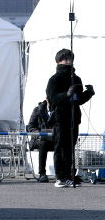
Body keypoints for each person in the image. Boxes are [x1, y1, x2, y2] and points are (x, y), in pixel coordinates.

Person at [46, 48, 95, 188]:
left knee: (69, 149)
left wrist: (89, 93)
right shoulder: (54, 79)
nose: (68, 62)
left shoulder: (76, 78)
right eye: (65, 59)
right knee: (60, 148)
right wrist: (66, 95)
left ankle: (69, 176)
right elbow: (53, 99)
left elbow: (78, 100)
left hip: (73, 119)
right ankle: (60, 177)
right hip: (60, 119)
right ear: (58, 61)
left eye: (70, 59)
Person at [26, 98, 55, 183]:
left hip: (53, 139)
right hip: (37, 140)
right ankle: (42, 173)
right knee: (44, 142)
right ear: (46, 99)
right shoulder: (38, 109)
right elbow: (31, 126)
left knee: (62, 143)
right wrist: (39, 134)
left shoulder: (57, 109)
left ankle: (62, 173)